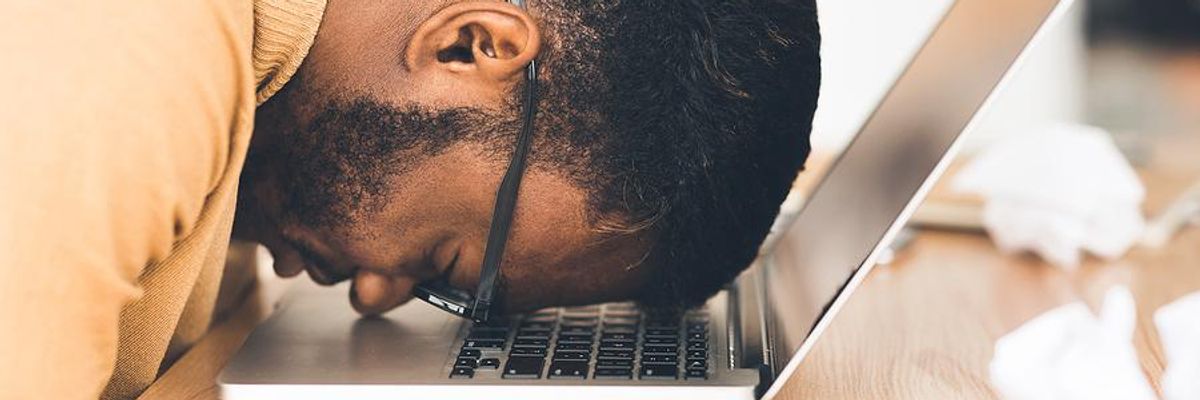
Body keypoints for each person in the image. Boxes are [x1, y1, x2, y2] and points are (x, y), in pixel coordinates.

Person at [0, 0, 820, 398]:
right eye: (443, 265)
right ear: (469, 45)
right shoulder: (130, 63)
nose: (372, 295)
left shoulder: (259, 94)